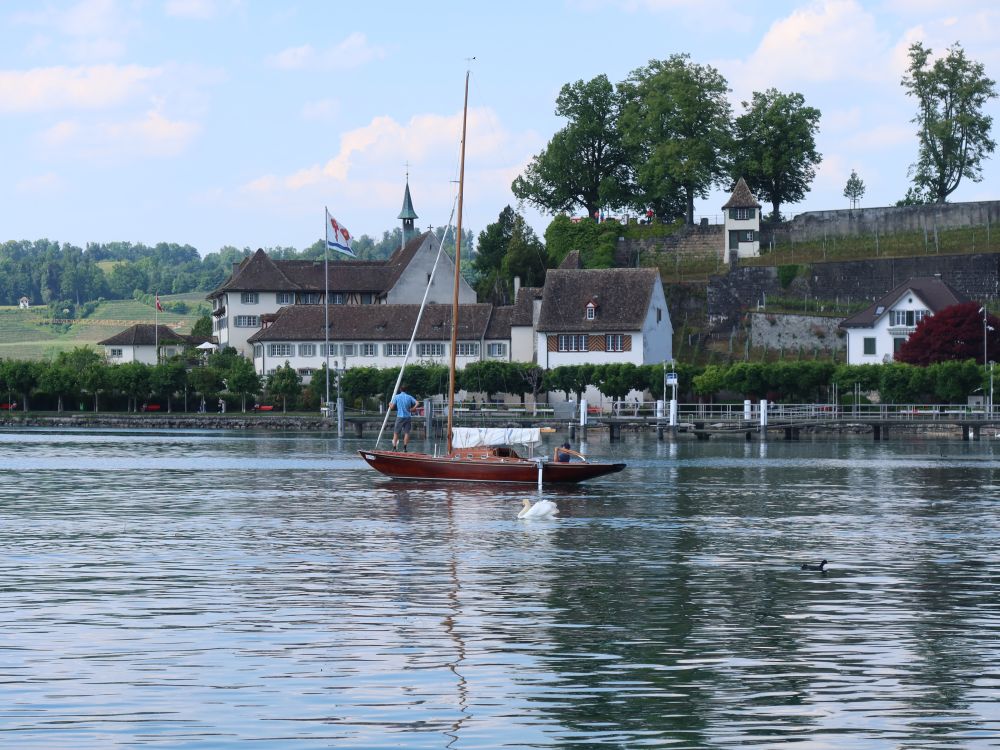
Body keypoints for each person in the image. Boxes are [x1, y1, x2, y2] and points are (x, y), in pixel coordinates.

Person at [390, 384, 418, 451]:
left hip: (400, 417)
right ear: (406, 390)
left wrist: (389, 404)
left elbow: (392, 407)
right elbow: (417, 402)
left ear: (400, 390)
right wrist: (413, 408)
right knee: (406, 433)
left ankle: (394, 447)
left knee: (396, 433)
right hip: (408, 417)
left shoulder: (396, 397)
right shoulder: (409, 397)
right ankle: (405, 448)